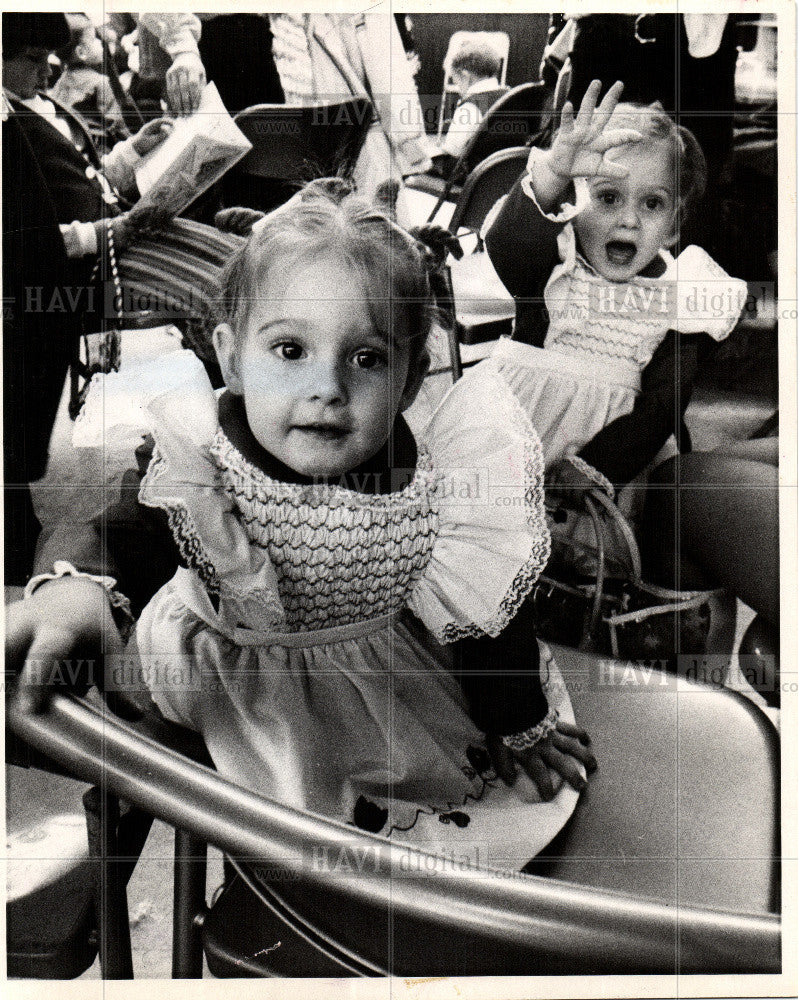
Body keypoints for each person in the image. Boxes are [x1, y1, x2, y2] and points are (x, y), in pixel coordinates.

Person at [8, 181, 596, 858]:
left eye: (366, 358)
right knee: (275, 845)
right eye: (291, 350)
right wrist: (77, 587)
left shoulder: (439, 484)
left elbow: (485, 616)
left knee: (424, 846)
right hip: (229, 675)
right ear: (231, 357)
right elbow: (123, 527)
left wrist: (516, 718)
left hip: (380, 677)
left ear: (409, 382)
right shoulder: (204, 461)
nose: (328, 388)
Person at [479, 81, 747, 530]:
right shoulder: (555, 264)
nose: (629, 219)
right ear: (576, 200)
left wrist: (594, 467)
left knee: (587, 570)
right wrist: (552, 174)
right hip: (510, 441)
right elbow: (506, 244)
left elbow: (663, 404)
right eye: (608, 197)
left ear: (675, 223)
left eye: (652, 203)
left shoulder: (682, 296)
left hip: (611, 462)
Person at [50, 13, 128, 151]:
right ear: (81, 52)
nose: (99, 42)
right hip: (105, 151)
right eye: (94, 39)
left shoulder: (58, 86)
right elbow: (117, 127)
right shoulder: (100, 82)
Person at [438, 40, 508, 161]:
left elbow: (452, 152)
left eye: (456, 81)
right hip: (508, 172)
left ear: (466, 76)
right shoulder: (510, 95)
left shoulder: (469, 107)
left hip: (474, 175)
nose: (458, 88)